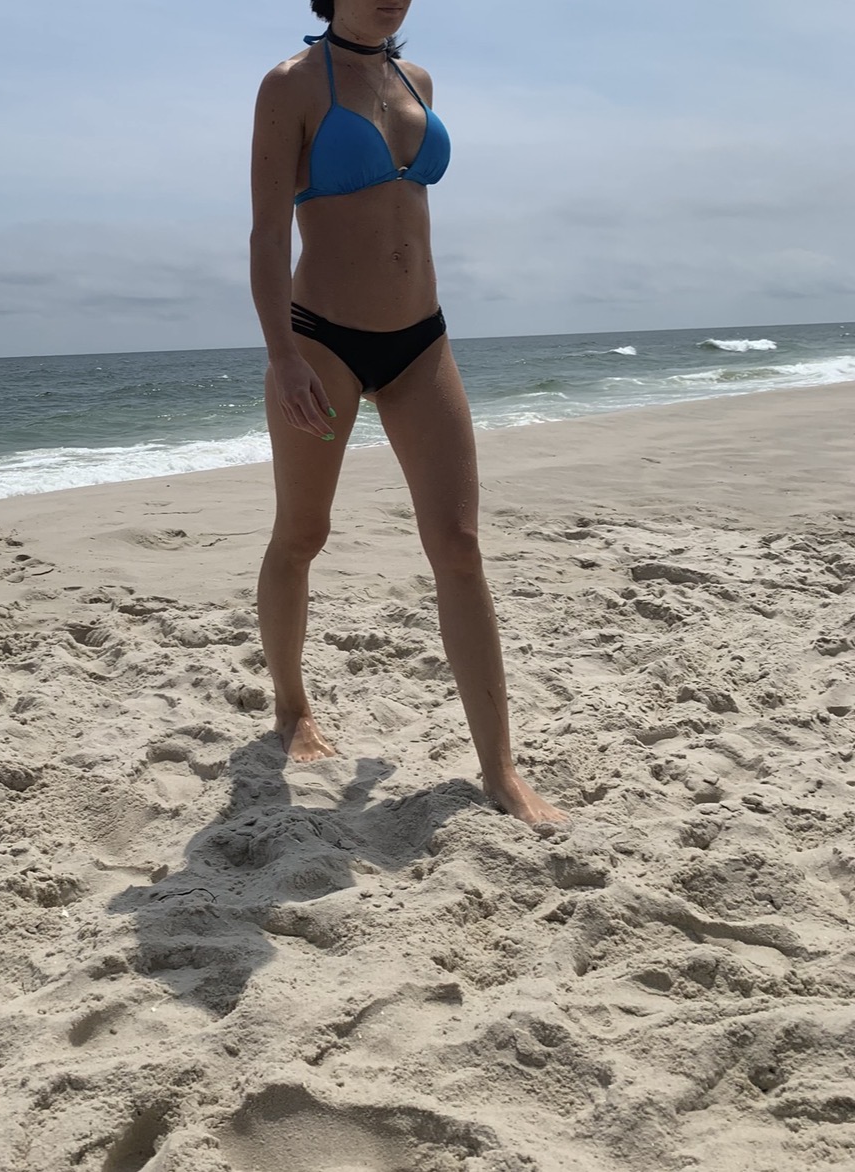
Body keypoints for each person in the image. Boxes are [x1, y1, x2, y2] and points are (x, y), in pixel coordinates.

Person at [250, 0, 569, 831]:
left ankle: (499, 769)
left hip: (421, 337)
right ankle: (291, 707)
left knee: (458, 545)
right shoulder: (290, 85)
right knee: (302, 534)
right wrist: (282, 355)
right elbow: (267, 234)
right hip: (321, 341)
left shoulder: (414, 79)